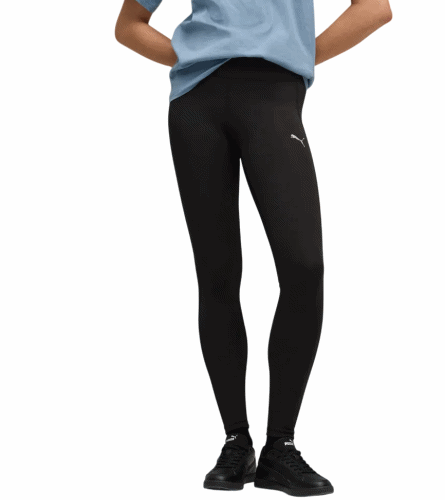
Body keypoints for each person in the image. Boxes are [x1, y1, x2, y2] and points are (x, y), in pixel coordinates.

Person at [115, 0, 392, 495]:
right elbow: (128, 26)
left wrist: (293, 53)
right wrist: (197, 54)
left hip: (273, 93)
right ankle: (236, 441)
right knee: (217, 274)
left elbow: (375, 8)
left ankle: (280, 446)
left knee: (304, 267)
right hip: (197, 103)